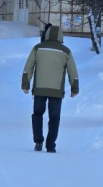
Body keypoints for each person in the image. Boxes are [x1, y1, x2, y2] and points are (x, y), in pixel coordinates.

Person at [21, 24, 79, 153]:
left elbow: (28, 67)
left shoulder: (37, 48)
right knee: (54, 117)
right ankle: (51, 145)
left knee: (37, 114)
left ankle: (38, 141)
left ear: (46, 35)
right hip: (56, 91)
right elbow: (73, 72)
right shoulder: (65, 51)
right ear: (60, 36)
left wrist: (26, 84)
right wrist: (74, 88)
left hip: (39, 89)